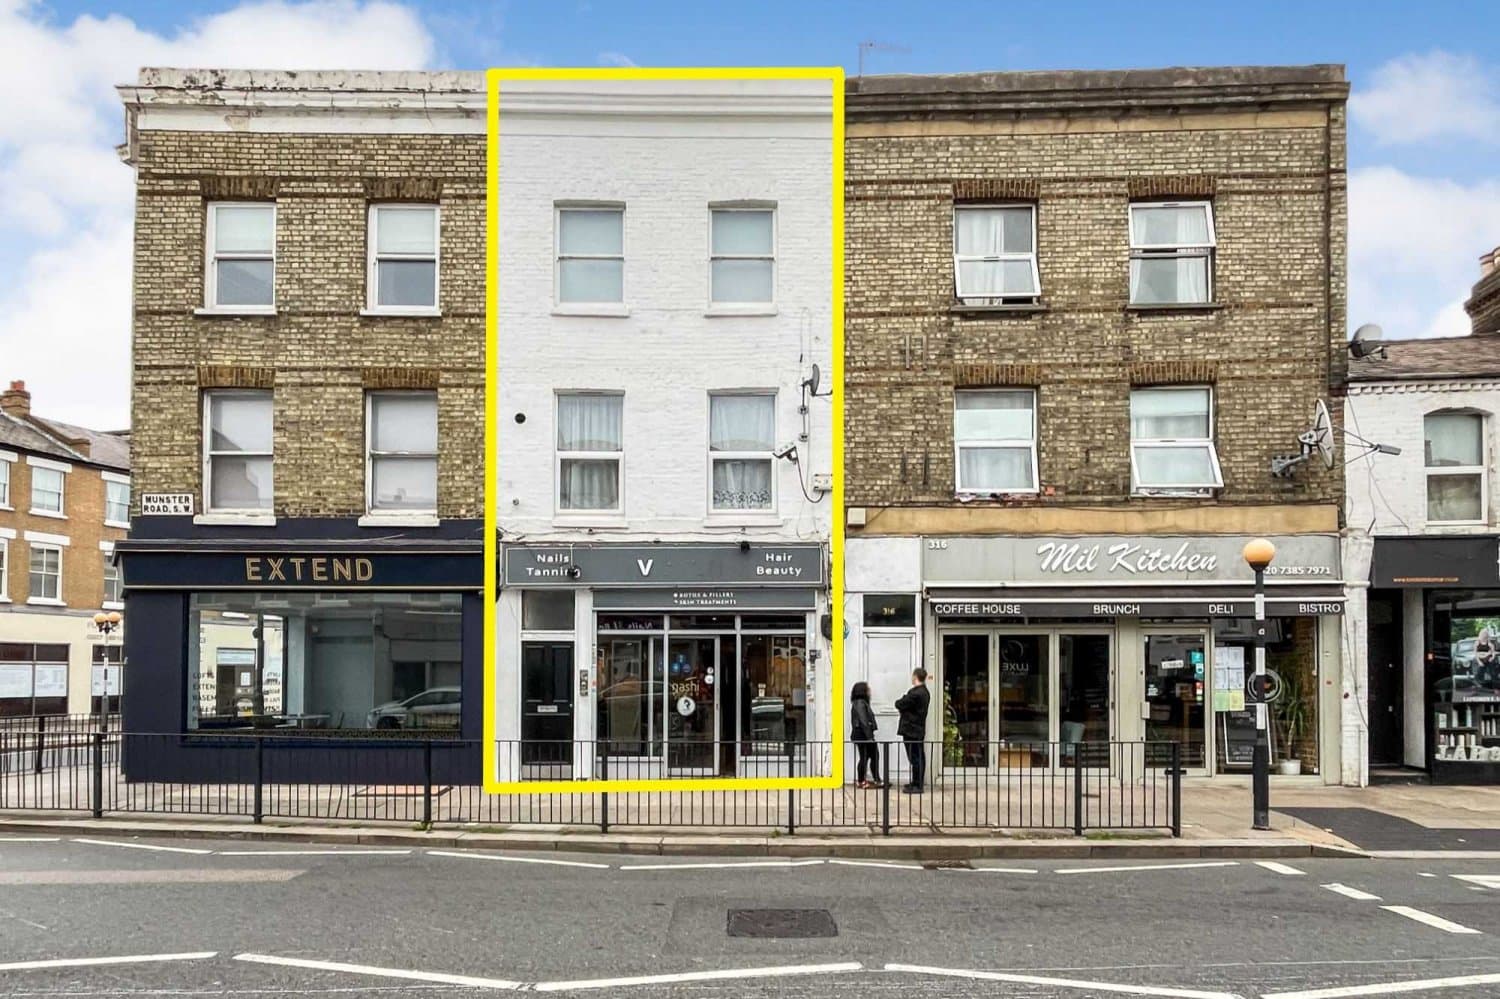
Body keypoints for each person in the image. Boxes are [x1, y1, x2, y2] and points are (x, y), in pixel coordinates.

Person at [894, 668, 930, 794]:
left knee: (915, 757)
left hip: (911, 729)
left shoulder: (915, 693)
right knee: (918, 756)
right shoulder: (924, 692)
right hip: (918, 729)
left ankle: (917, 785)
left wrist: (903, 701)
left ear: (915, 677)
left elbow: (899, 704)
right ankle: (916, 782)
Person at [850, 682, 881, 788]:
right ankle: (861, 780)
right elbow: (863, 720)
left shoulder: (861, 702)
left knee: (873, 756)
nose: (870, 691)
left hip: (864, 734)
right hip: (862, 734)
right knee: (864, 757)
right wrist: (870, 738)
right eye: (868, 689)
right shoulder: (859, 703)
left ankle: (876, 779)